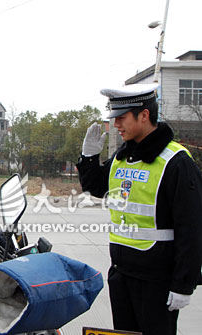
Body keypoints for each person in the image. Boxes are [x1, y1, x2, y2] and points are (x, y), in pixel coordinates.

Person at [76, 83, 202, 335]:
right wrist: (89, 157)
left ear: (144, 115)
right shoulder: (124, 156)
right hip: (122, 272)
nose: (116, 125)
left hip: (157, 280)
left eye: (121, 118)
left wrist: (183, 284)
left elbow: (192, 227)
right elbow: (96, 188)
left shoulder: (175, 162)